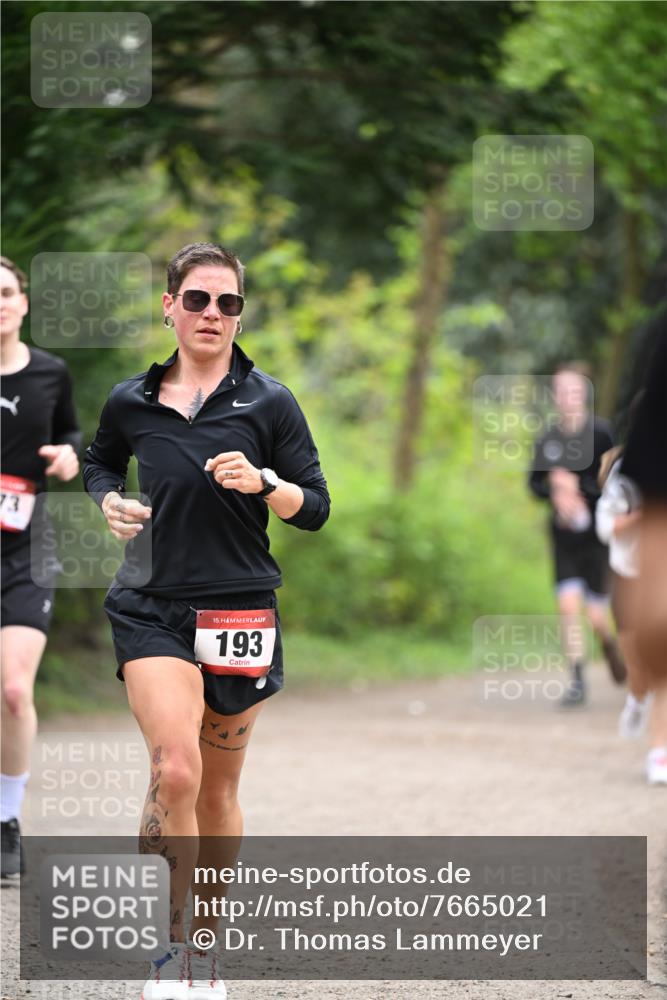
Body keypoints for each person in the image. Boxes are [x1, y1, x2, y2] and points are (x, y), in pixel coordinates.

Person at [83, 242, 330, 998]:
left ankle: (203, 946)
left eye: (228, 303)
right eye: (197, 299)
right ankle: (168, 950)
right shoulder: (132, 399)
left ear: (239, 316)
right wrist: (108, 500)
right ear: (170, 307)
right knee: (176, 769)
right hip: (151, 604)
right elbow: (100, 460)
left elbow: (315, 508)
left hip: (240, 609)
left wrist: (265, 482)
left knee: (216, 792)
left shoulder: (270, 402)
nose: (212, 314)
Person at [0, 256, 81, 878]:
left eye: (6, 292)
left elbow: (73, 435)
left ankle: (6, 821)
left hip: (25, 551)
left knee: (13, 690)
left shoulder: (51, 372)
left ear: (23, 302)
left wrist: (69, 457)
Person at [528, 363, 625, 708]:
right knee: (568, 607)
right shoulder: (547, 439)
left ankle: (609, 645)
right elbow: (533, 484)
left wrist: (579, 488)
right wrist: (554, 490)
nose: (566, 397)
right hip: (564, 539)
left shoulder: (601, 433)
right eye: (560, 391)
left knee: (596, 616)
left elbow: (615, 481)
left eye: (573, 391)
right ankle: (577, 682)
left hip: (596, 540)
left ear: (584, 394)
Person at [620, 325, 667, 786]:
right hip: (631, 569)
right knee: (648, 656)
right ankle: (637, 701)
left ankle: (659, 751)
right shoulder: (626, 472)